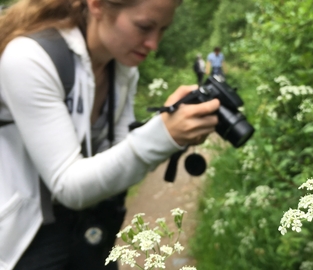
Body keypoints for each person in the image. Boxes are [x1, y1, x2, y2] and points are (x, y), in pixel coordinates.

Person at [0, 0, 220, 269]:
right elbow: (67, 185)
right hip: (26, 238)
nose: (154, 44)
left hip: (88, 224)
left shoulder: (122, 66)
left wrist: (173, 127)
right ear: (97, 6)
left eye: (163, 30)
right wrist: (163, 134)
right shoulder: (29, 58)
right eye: (144, 27)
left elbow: (121, 155)